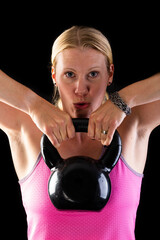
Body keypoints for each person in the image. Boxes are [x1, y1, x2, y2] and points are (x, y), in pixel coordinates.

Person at [0, 25, 160, 240]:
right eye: (69, 74)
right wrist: (32, 104)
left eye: (93, 74)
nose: (81, 89)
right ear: (54, 75)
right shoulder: (26, 128)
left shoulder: (134, 125)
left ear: (110, 74)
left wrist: (125, 99)